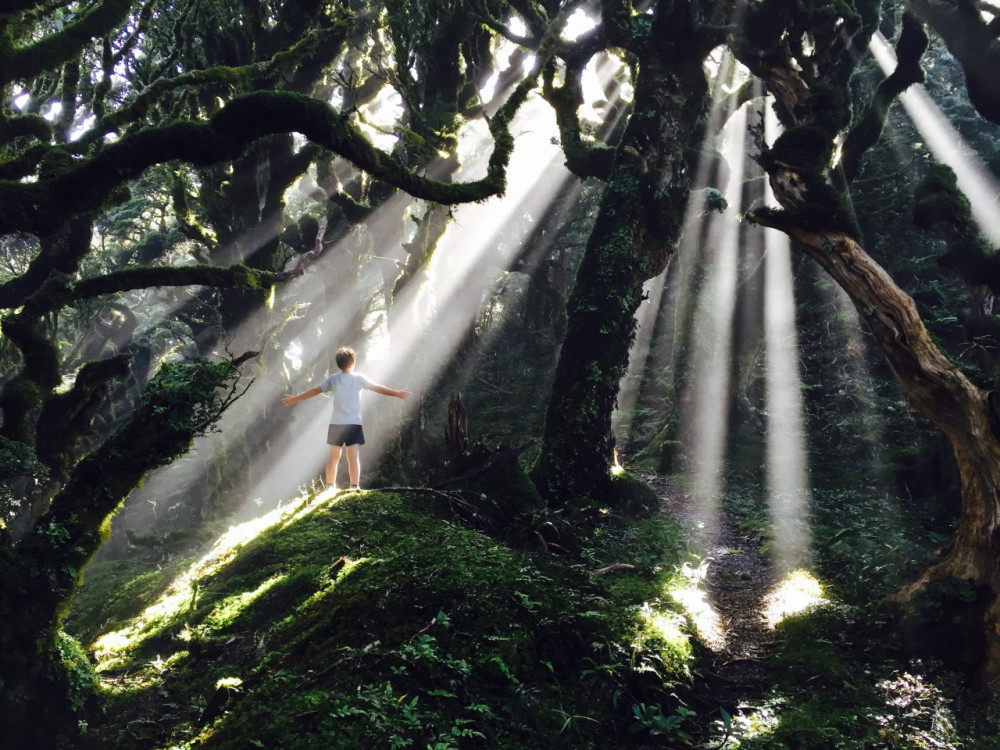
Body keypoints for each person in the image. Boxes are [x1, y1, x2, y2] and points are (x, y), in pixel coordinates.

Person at [283, 347, 410, 491]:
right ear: (353, 362)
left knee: (334, 457)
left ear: (338, 364)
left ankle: (330, 487)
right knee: (353, 457)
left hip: (336, 423)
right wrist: (397, 393)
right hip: (353, 423)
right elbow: (377, 388)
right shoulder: (358, 378)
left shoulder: (333, 379)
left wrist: (295, 399)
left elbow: (315, 391)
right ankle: (354, 487)